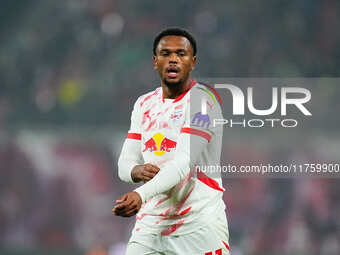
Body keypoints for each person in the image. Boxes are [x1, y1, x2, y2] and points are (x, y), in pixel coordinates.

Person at [113, 27, 230, 255]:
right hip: (151, 225)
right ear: (155, 61)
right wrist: (136, 171)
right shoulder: (144, 104)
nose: (173, 60)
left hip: (199, 226)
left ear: (192, 62)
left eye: (181, 54)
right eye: (166, 54)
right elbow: (125, 163)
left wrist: (140, 194)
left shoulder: (203, 102)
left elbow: (182, 164)